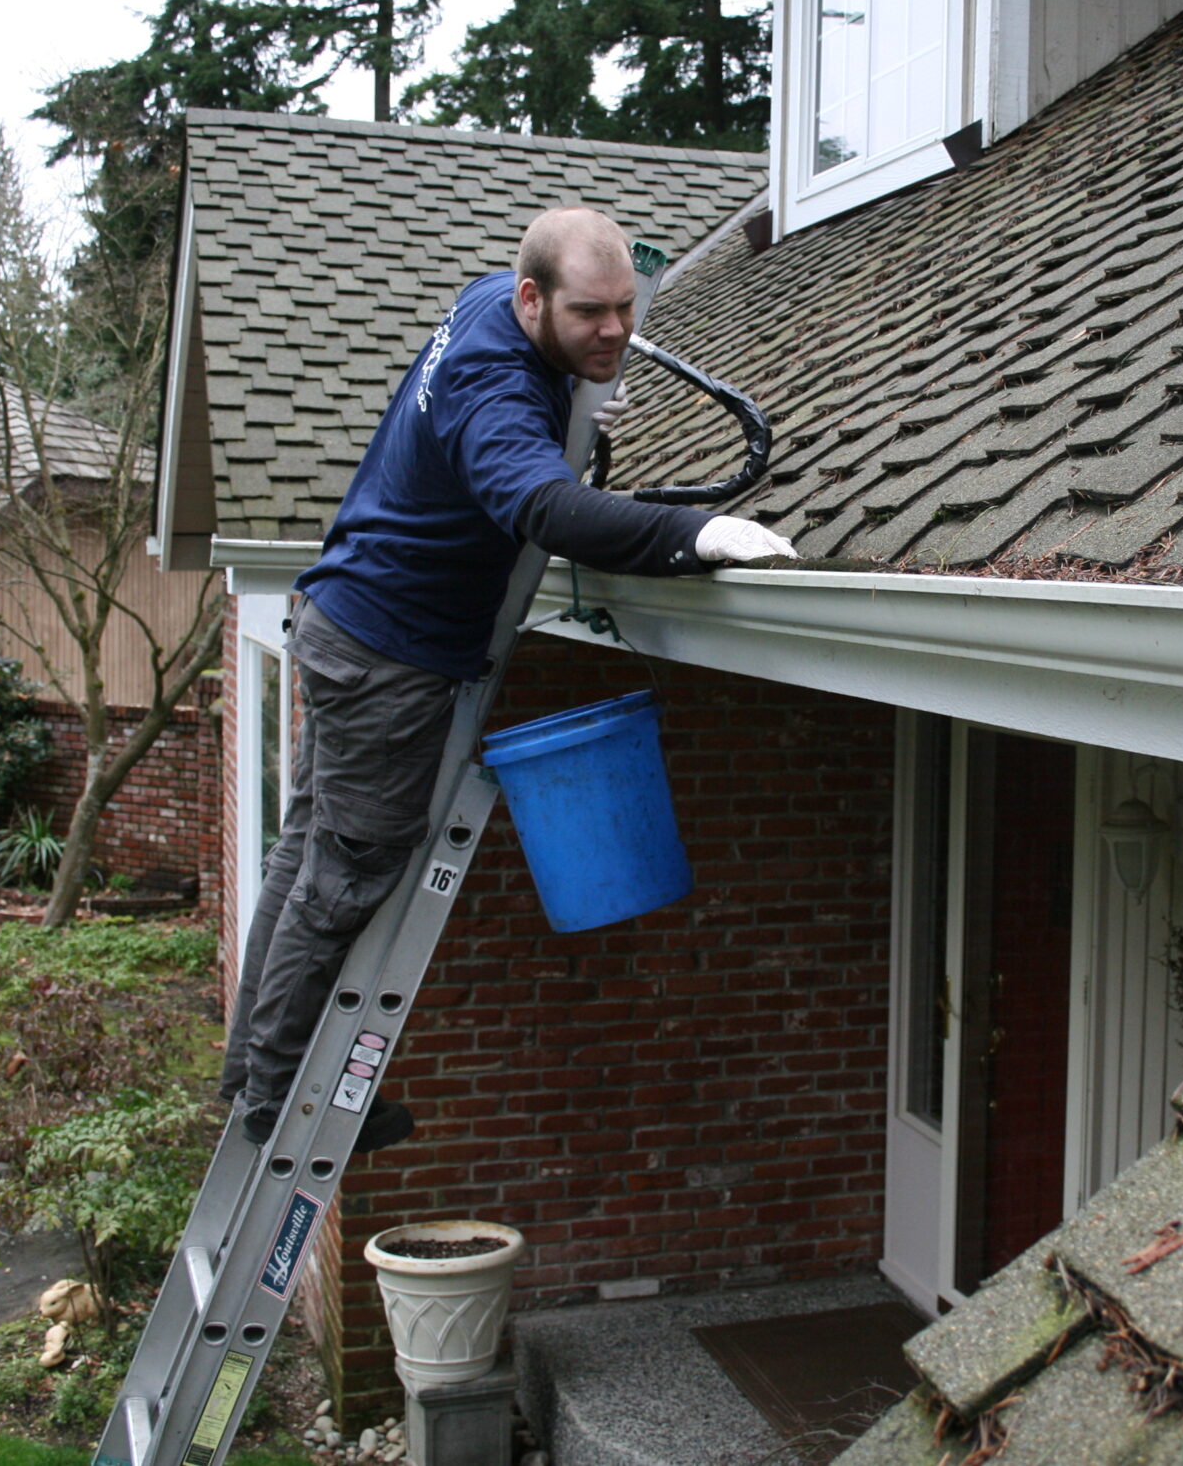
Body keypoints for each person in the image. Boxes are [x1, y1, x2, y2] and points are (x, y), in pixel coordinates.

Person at [219, 206, 795, 1146]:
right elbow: (545, 507)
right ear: (531, 298)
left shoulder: (493, 301)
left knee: (305, 854)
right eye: (589, 314)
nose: (616, 330)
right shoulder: (494, 384)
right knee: (346, 877)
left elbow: (541, 418)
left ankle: (249, 1073)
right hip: (386, 659)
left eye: (624, 307)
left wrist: (576, 394)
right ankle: (275, 1100)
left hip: (343, 616)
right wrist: (693, 534)